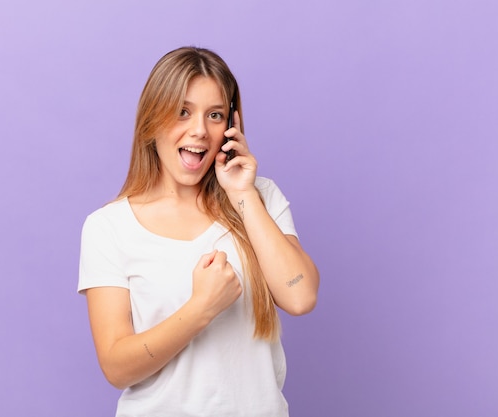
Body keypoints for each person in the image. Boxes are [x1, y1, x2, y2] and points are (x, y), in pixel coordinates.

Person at [78, 46, 319, 417]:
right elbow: (116, 366)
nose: (200, 131)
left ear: (231, 127)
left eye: (215, 115)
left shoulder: (261, 197)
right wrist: (200, 309)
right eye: (183, 112)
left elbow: (300, 295)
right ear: (152, 119)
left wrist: (242, 195)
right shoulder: (109, 227)